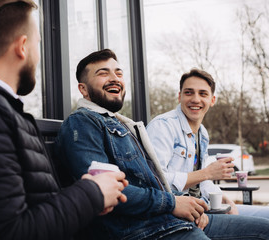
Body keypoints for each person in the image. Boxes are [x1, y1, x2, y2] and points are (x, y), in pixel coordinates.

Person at [0, 1, 128, 239]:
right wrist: (91, 193)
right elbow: (9, 231)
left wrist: (89, 196)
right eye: (38, 44)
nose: (38, 55)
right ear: (22, 46)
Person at [56, 49, 269, 240]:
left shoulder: (122, 125)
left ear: (213, 100)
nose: (114, 78)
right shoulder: (82, 123)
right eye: (103, 73)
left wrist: (193, 208)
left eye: (118, 73)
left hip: (171, 220)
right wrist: (174, 203)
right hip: (145, 229)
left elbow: (153, 183)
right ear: (83, 89)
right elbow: (103, 193)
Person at [146, 68, 269, 219]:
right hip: (177, 218)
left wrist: (223, 198)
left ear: (212, 100)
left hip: (203, 208)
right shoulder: (162, 126)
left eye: (203, 94)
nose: (196, 99)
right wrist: (207, 173)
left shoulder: (202, 134)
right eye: (189, 92)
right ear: (179, 97)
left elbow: (201, 182)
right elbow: (156, 182)